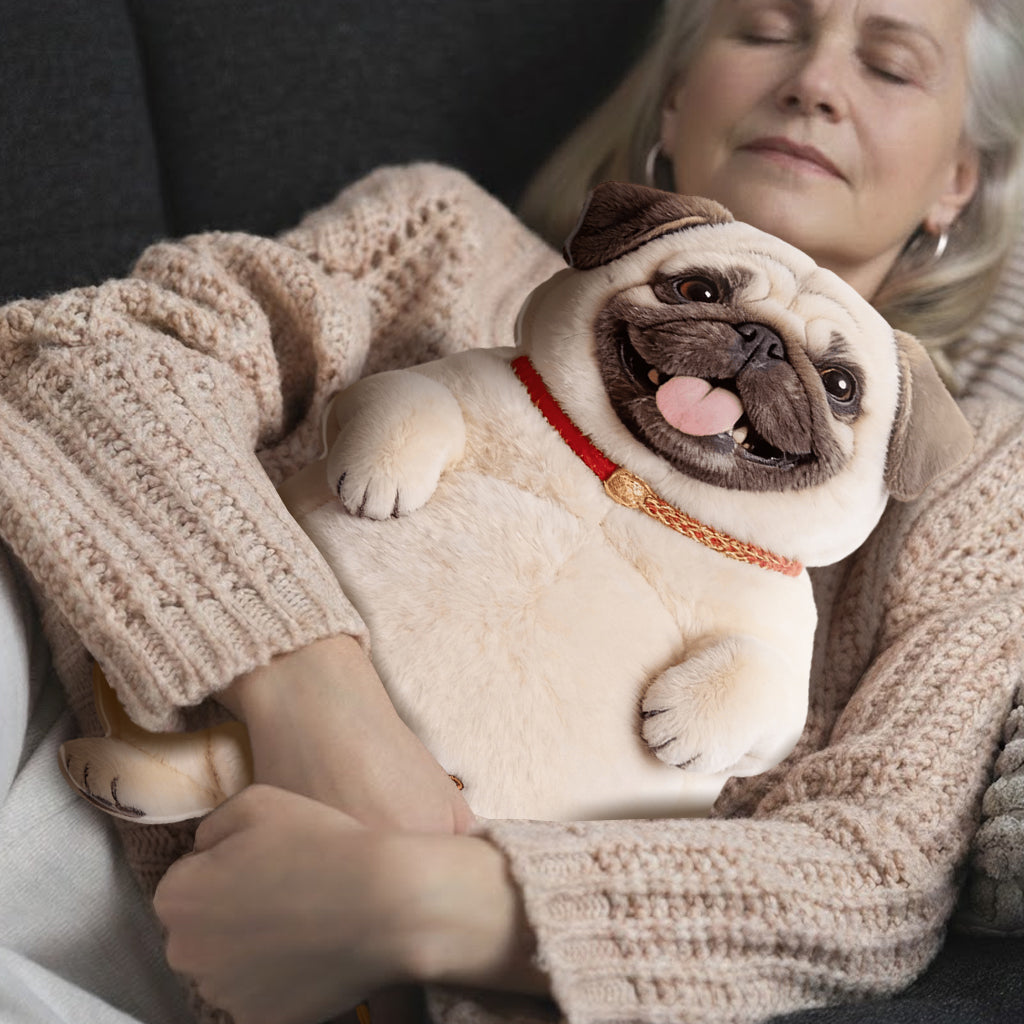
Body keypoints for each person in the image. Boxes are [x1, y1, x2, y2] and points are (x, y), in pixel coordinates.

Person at [1, 2, 1023, 1024]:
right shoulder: (443, 236)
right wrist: (317, 700)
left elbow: (880, 864)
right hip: (83, 765)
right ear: (674, 98)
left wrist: (415, 897)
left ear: (957, 179)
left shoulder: (971, 472)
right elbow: (78, 356)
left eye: (890, 66)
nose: (813, 82)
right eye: (765, 29)